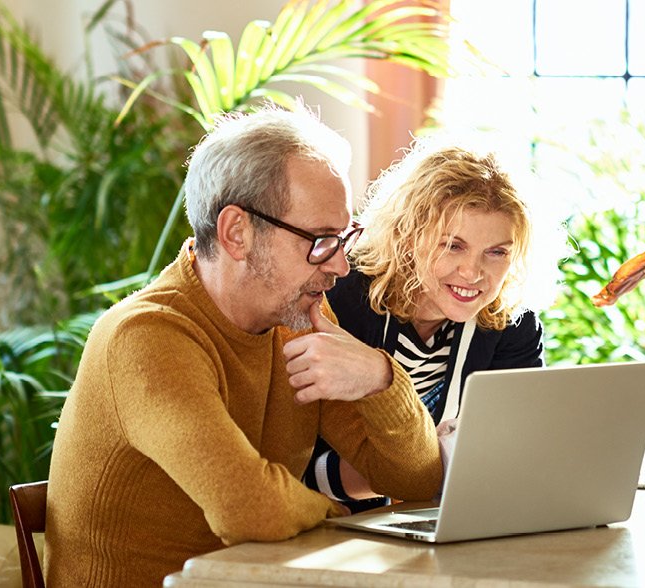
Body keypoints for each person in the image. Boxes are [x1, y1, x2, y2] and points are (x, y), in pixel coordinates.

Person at [43, 105, 444, 586]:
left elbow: (418, 482)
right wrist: (336, 513)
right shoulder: (147, 336)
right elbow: (248, 509)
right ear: (237, 232)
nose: (340, 266)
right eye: (320, 239)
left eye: (343, 237)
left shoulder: (298, 323)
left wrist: (380, 377)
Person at [304, 138, 559, 512]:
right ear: (407, 237)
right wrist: (425, 470)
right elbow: (299, 466)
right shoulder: (340, 301)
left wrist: (428, 470)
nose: (472, 273)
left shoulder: (512, 326)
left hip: (444, 523)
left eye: (497, 252)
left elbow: (512, 458)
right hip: (336, 530)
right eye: (453, 246)